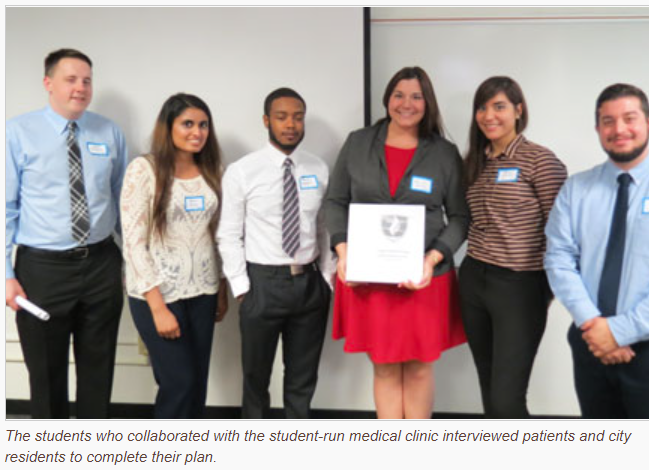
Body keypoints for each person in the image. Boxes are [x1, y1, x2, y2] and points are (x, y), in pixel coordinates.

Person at [325, 66, 468, 419]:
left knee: (419, 368)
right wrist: (344, 253)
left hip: (424, 278)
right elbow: (335, 202)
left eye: (416, 96)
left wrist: (431, 259)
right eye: (399, 95)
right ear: (387, 99)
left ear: (428, 102)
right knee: (385, 366)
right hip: (369, 278)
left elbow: (461, 218)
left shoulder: (444, 153)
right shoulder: (358, 143)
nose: (407, 104)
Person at [545, 83, 649, 419]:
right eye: (608, 121)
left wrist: (618, 332)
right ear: (597, 129)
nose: (619, 129)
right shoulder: (576, 189)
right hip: (589, 342)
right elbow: (559, 259)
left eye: (629, 118)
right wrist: (595, 326)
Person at [5, 48, 127, 418]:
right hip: (42, 270)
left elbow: (123, 201)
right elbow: (4, 208)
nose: (81, 87)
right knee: (46, 373)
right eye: (71, 79)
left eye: (87, 80)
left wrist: (136, 262)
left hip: (101, 263)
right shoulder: (17, 132)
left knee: (99, 368)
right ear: (48, 83)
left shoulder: (109, 132)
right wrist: (5, 276)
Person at [217, 87, 333, 419]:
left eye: (298, 117)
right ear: (267, 121)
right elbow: (228, 234)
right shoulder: (243, 171)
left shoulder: (318, 169)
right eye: (282, 117)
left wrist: (326, 280)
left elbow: (324, 228)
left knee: (302, 379)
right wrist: (241, 287)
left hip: (309, 285)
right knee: (256, 379)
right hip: (262, 284)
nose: (291, 125)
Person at [459, 76, 567, 418]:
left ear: (519, 111)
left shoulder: (540, 160)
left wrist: (546, 290)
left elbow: (562, 231)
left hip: (520, 286)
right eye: (482, 107)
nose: (489, 115)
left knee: (507, 399)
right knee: (490, 390)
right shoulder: (474, 162)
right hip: (474, 279)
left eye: (499, 106)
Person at [120, 93, 228, 419]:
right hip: (158, 295)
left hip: (203, 292)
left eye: (203, 124)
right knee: (178, 383)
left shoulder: (213, 170)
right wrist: (157, 307)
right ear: (168, 128)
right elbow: (133, 243)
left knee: (197, 384)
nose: (197, 132)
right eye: (188, 124)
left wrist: (220, 286)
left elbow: (218, 234)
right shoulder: (145, 170)